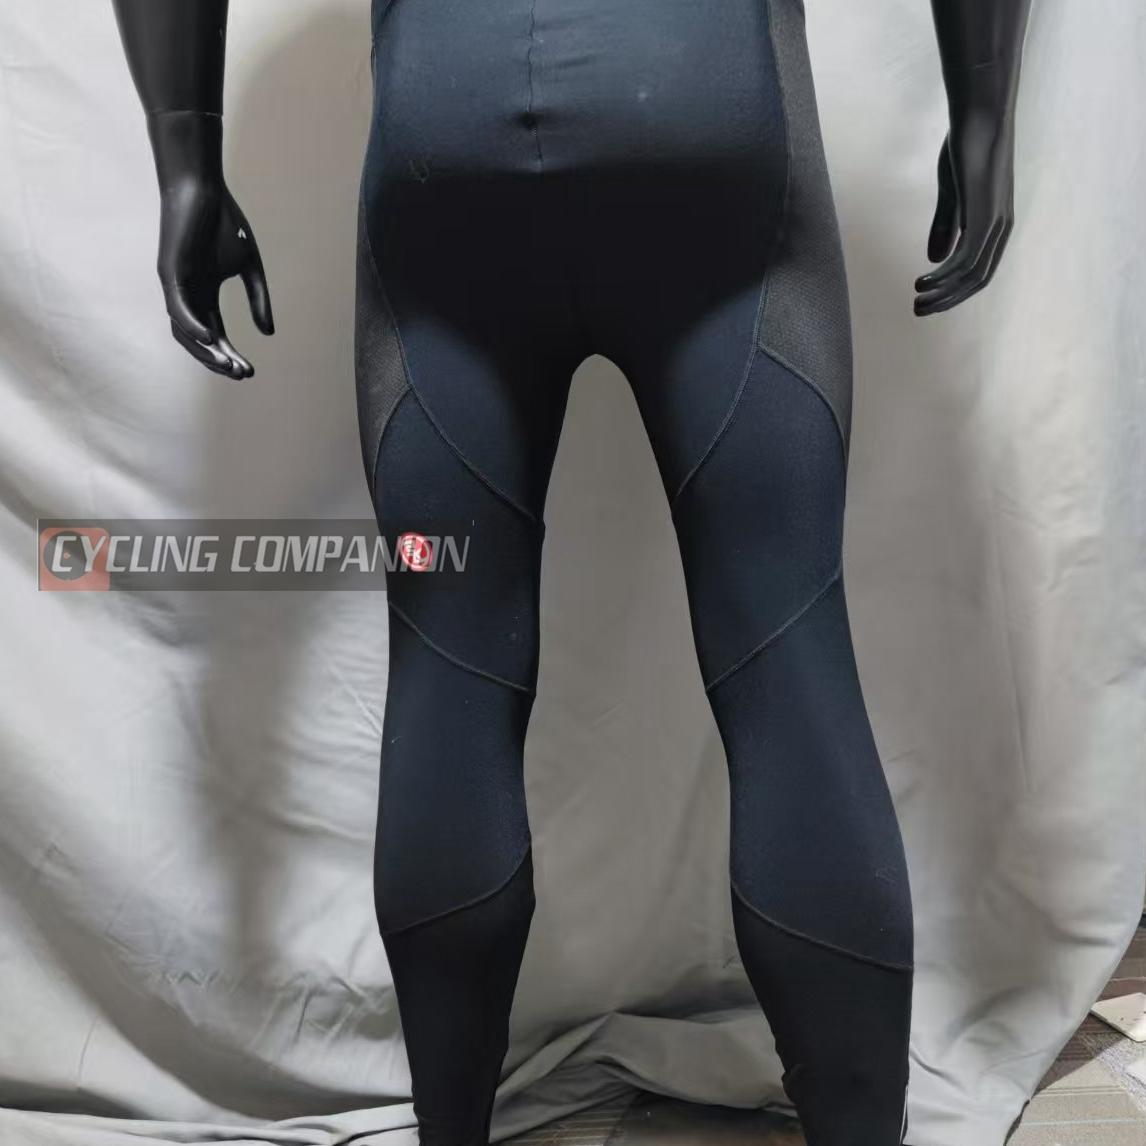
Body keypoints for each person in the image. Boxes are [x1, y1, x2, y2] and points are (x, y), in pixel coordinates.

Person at [110, 2, 1033, 1144]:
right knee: (790, 667)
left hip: (445, 123)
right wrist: (984, 108)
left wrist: (187, 160)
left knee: (448, 676)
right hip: (705, 92)